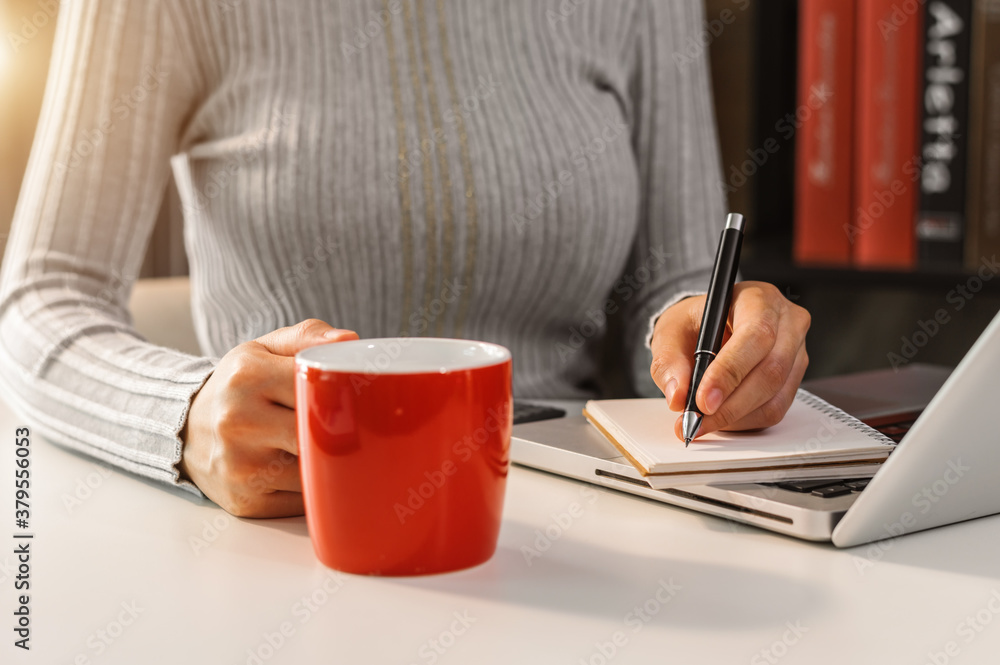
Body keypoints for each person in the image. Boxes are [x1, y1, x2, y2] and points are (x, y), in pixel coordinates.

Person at [0, 0, 809, 518]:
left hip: (583, 522)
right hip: (289, 521)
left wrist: (723, 333)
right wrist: (181, 411)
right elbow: (42, 296)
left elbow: (675, 284)